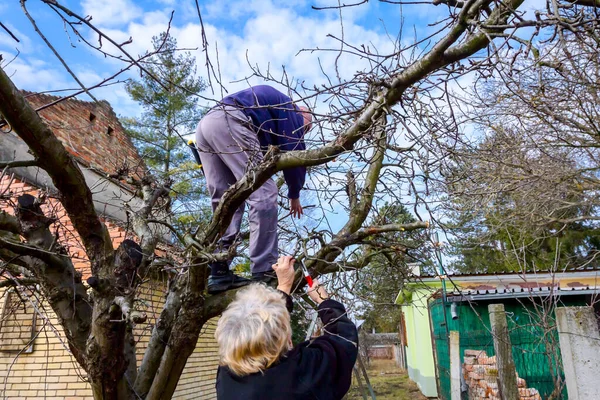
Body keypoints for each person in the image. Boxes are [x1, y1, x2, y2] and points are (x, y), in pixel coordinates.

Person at [195, 85, 312, 294]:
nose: (303, 132)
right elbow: (295, 151)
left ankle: (218, 268)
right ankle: (264, 270)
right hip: (232, 122)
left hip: (206, 125)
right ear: (302, 114)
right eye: (305, 128)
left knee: (228, 199)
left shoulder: (269, 108)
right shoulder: (290, 110)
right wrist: (295, 194)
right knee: (264, 193)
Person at [214, 255, 359, 400]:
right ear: (286, 339)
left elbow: (267, 330)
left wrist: (284, 286)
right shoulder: (304, 375)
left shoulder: (227, 378)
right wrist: (324, 301)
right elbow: (344, 339)